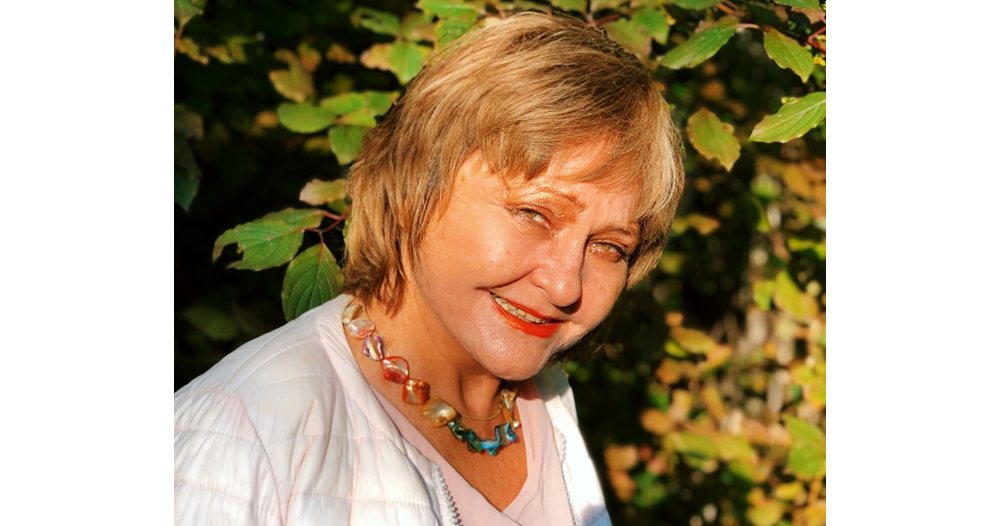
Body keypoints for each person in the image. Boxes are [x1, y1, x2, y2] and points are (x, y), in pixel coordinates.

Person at [175, 11, 684, 526]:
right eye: (534, 214)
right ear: (415, 184)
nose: (564, 285)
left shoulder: (547, 402)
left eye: (609, 248)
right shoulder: (240, 435)